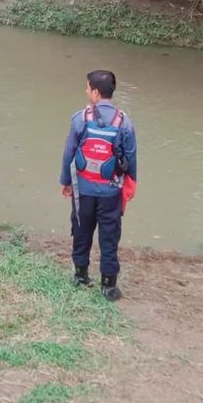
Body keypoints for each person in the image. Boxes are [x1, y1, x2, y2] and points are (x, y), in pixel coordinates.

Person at [60, 70, 137, 301]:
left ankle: (81, 275)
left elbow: (68, 154)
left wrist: (66, 182)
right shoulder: (125, 122)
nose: (86, 92)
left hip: (82, 190)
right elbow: (131, 159)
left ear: (95, 92)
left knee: (81, 231)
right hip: (111, 192)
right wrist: (129, 187)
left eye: (87, 88)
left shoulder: (80, 119)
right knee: (109, 235)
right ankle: (108, 286)